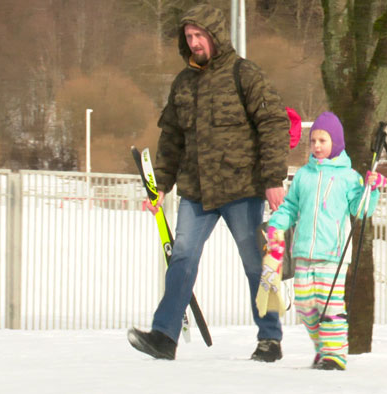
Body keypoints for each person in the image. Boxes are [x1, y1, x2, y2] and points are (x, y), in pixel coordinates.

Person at [127, 3, 291, 362]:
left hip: (241, 188)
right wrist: (161, 186)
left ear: (215, 35)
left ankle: (269, 339)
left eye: (200, 35)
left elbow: (274, 122)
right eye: (189, 36)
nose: (195, 42)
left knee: (254, 264)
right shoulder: (182, 83)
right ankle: (164, 336)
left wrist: (273, 178)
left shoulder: (244, 74)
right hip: (197, 192)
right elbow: (171, 138)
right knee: (182, 257)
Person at [266, 111, 386, 370]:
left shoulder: (348, 177)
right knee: (305, 306)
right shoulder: (303, 176)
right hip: (303, 252)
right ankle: (323, 349)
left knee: (329, 305)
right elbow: (290, 207)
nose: (317, 146)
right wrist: (277, 222)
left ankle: (335, 355)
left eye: (323, 141)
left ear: (336, 143)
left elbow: (361, 208)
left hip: (333, 253)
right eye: (314, 141)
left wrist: (372, 189)